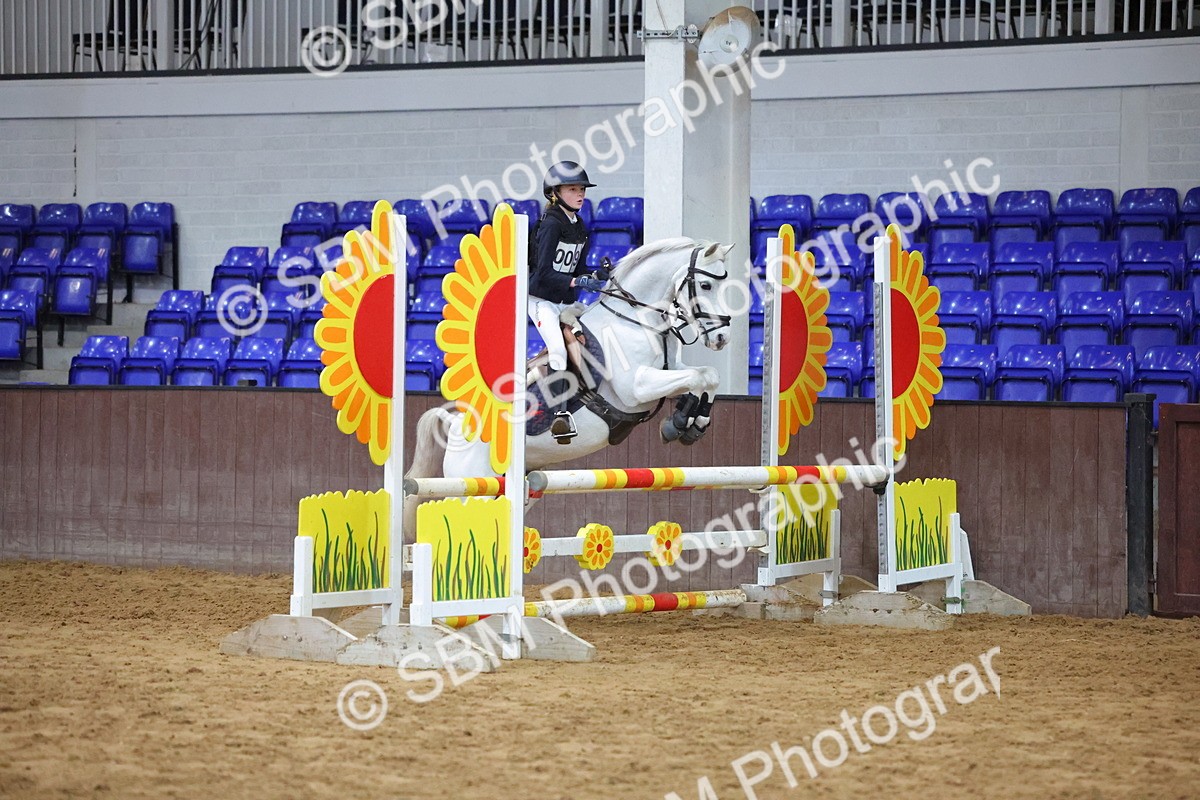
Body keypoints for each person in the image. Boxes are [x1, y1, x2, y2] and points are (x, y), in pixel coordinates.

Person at [529, 161, 606, 443]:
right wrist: (576, 282)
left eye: (582, 189)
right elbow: (543, 273)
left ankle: (585, 395)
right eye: (573, 189)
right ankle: (560, 416)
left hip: (562, 299)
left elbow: (578, 267)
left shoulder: (579, 225)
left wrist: (594, 275)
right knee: (559, 351)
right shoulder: (550, 225)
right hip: (540, 298)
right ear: (555, 193)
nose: (580, 194)